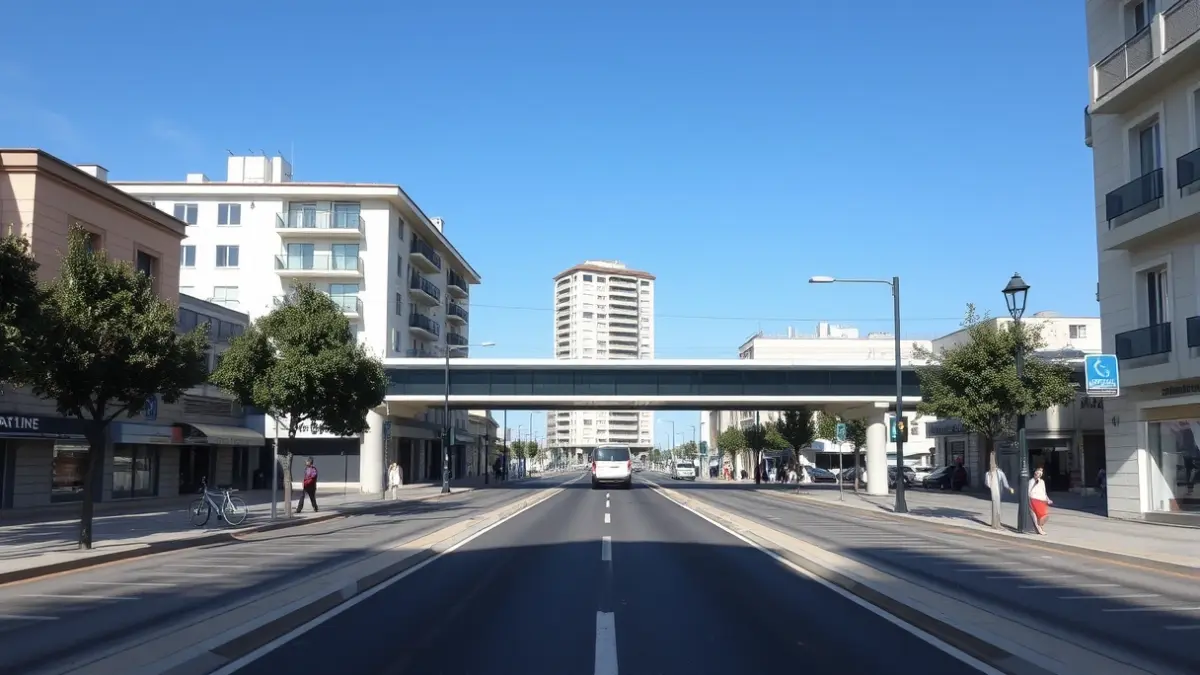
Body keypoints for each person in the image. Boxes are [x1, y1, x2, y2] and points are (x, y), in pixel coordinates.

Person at [1029, 466, 1053, 535]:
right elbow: (1029, 491)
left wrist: (1048, 499)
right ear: (1035, 473)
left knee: (1044, 515)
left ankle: (1039, 527)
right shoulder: (1032, 481)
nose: (1038, 475)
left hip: (1042, 500)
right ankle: (1039, 528)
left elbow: (1044, 491)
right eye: (1037, 473)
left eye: (1040, 474)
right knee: (1035, 515)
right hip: (1034, 499)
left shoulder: (1042, 481)